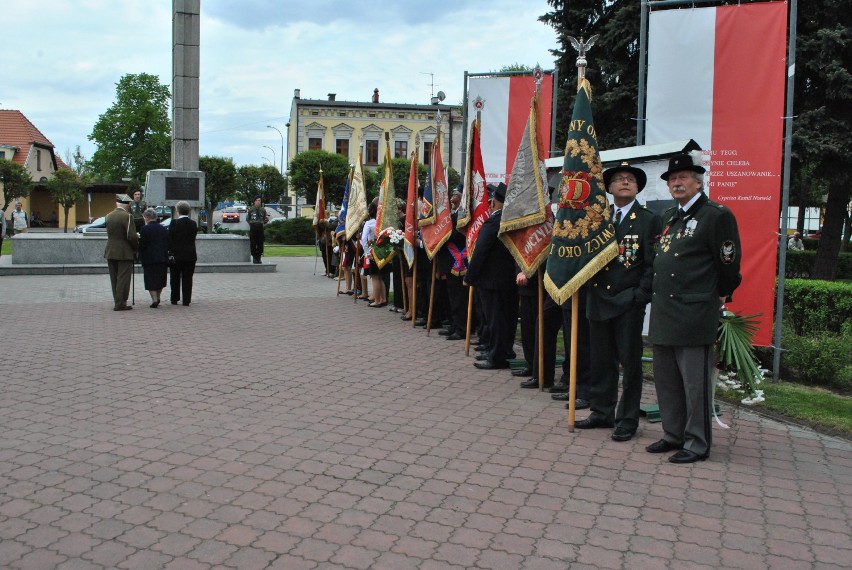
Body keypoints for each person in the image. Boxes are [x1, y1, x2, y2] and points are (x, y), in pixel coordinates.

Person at [648, 152, 742, 464]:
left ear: (698, 181)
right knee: (667, 381)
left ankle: (697, 442)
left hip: (694, 313)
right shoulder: (669, 217)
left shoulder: (716, 215)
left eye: (683, 177)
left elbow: (728, 264)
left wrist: (721, 294)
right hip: (664, 313)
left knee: (694, 384)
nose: (676, 183)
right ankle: (673, 434)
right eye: (672, 179)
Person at [575, 162, 662, 442]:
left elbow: (652, 264)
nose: (625, 182)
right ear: (609, 188)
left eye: (630, 180)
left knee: (630, 363)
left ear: (637, 188)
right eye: (619, 179)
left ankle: (627, 418)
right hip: (599, 298)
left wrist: (640, 296)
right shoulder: (597, 217)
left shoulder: (648, 220)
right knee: (600, 361)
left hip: (627, 302)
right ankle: (601, 411)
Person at [465, 183, 518, 370]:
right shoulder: (512, 219)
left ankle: (497, 357)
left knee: (496, 320)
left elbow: (481, 251)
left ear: (494, 202)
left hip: (492, 280)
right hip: (508, 279)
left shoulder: (494, 221)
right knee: (506, 319)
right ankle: (504, 350)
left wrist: (470, 277)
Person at [103, 194, 139, 311]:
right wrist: (136, 247)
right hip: (124, 251)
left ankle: (117, 300)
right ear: (127, 205)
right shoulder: (127, 216)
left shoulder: (108, 216)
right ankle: (120, 303)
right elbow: (131, 236)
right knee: (123, 278)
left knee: (114, 278)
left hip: (110, 250)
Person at [138, 208, 170, 308]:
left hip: (149, 259)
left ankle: (154, 299)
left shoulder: (144, 229)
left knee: (150, 280)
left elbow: (142, 245)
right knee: (160, 280)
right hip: (162, 258)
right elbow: (167, 244)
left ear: (147, 217)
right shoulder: (163, 229)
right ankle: (158, 296)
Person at [169, 200, 198, 306]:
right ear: (188, 211)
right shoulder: (193, 224)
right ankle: (186, 300)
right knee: (188, 278)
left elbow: (170, 238)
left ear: (177, 211)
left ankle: (174, 298)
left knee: (175, 277)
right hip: (190, 255)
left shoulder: (174, 223)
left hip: (176, 255)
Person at [247, 196, 268, 263]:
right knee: (253, 243)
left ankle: (259, 257)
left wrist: (263, 222)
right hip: (253, 226)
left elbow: (264, 218)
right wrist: (251, 224)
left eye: (260, 200)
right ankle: (254, 257)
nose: (259, 202)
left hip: (260, 226)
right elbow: (248, 218)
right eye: (257, 200)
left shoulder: (263, 210)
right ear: (254, 201)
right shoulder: (251, 209)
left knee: (260, 243)